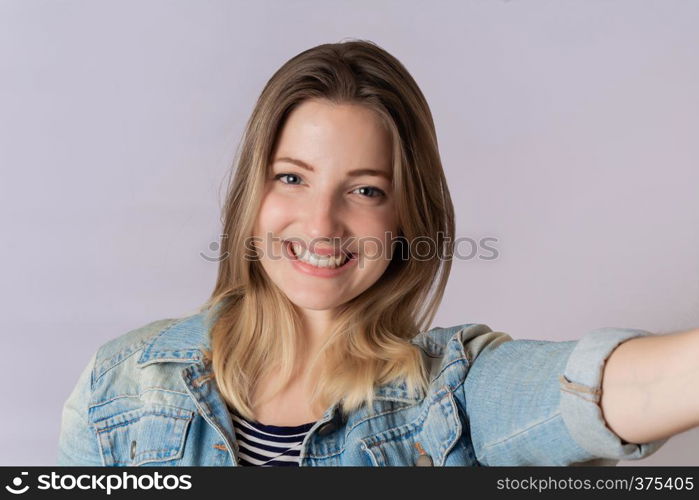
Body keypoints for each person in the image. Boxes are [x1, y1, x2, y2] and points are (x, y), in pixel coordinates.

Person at [57, 39, 696, 467]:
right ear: (253, 191)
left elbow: (612, 388)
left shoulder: (451, 396)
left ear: (405, 215)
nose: (321, 222)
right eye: (292, 177)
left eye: (365, 189)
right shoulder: (121, 384)